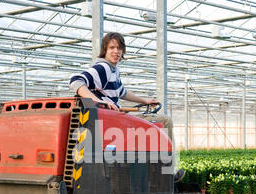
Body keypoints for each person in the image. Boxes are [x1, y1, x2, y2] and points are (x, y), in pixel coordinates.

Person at [69, 32, 183, 182]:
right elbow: (75, 81)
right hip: (111, 121)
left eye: (119, 48)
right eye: (112, 48)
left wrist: (145, 100)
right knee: (165, 121)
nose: (116, 51)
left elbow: (122, 92)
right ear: (105, 49)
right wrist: (99, 102)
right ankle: (169, 170)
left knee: (153, 124)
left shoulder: (114, 71)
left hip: (114, 119)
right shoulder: (103, 68)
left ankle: (153, 169)